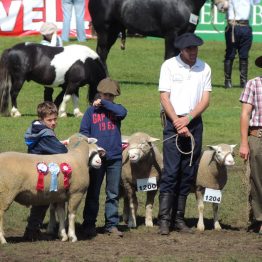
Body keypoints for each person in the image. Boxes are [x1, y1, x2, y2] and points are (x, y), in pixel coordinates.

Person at [158, 33, 212, 235]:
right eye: (189, 49)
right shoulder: (169, 66)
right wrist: (177, 123)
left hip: (194, 122)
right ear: (181, 50)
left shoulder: (204, 67)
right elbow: (164, 97)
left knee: (188, 171)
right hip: (173, 122)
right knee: (171, 171)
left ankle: (178, 219)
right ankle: (164, 219)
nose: (193, 52)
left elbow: (205, 100)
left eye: (195, 48)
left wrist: (188, 120)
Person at [80, 78, 127, 238]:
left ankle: (111, 225)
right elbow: (84, 132)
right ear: (99, 93)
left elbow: (123, 113)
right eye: (105, 95)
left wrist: (104, 103)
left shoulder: (116, 110)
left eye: (111, 96)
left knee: (113, 193)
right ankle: (88, 224)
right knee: (93, 192)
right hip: (96, 159)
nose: (108, 98)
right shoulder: (90, 112)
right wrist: (94, 149)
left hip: (115, 158)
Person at [23, 101, 68, 241]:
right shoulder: (46, 133)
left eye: (55, 119)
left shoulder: (36, 128)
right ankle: (32, 231)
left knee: (40, 202)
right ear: (41, 119)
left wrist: (58, 142)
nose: (53, 122)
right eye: (50, 120)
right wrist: (65, 146)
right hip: (41, 172)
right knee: (42, 201)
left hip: (33, 166)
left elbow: (51, 145)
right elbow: (61, 151)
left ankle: (32, 230)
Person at [239, 55, 262, 235]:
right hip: (258, 136)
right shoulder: (254, 84)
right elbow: (245, 114)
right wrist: (244, 143)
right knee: (257, 180)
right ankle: (260, 218)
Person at [224, 0, 261, 89]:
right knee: (230, 54)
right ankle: (227, 81)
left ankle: (243, 82)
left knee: (244, 55)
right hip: (233, 26)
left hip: (245, 26)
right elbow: (221, 5)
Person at [39, 22, 63, 103]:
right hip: (47, 69)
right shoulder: (43, 43)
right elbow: (52, 50)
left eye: (53, 32)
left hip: (60, 66)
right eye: (51, 33)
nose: (53, 34)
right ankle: (48, 104)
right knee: (48, 89)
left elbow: (61, 49)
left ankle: (57, 103)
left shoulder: (58, 38)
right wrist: (54, 38)